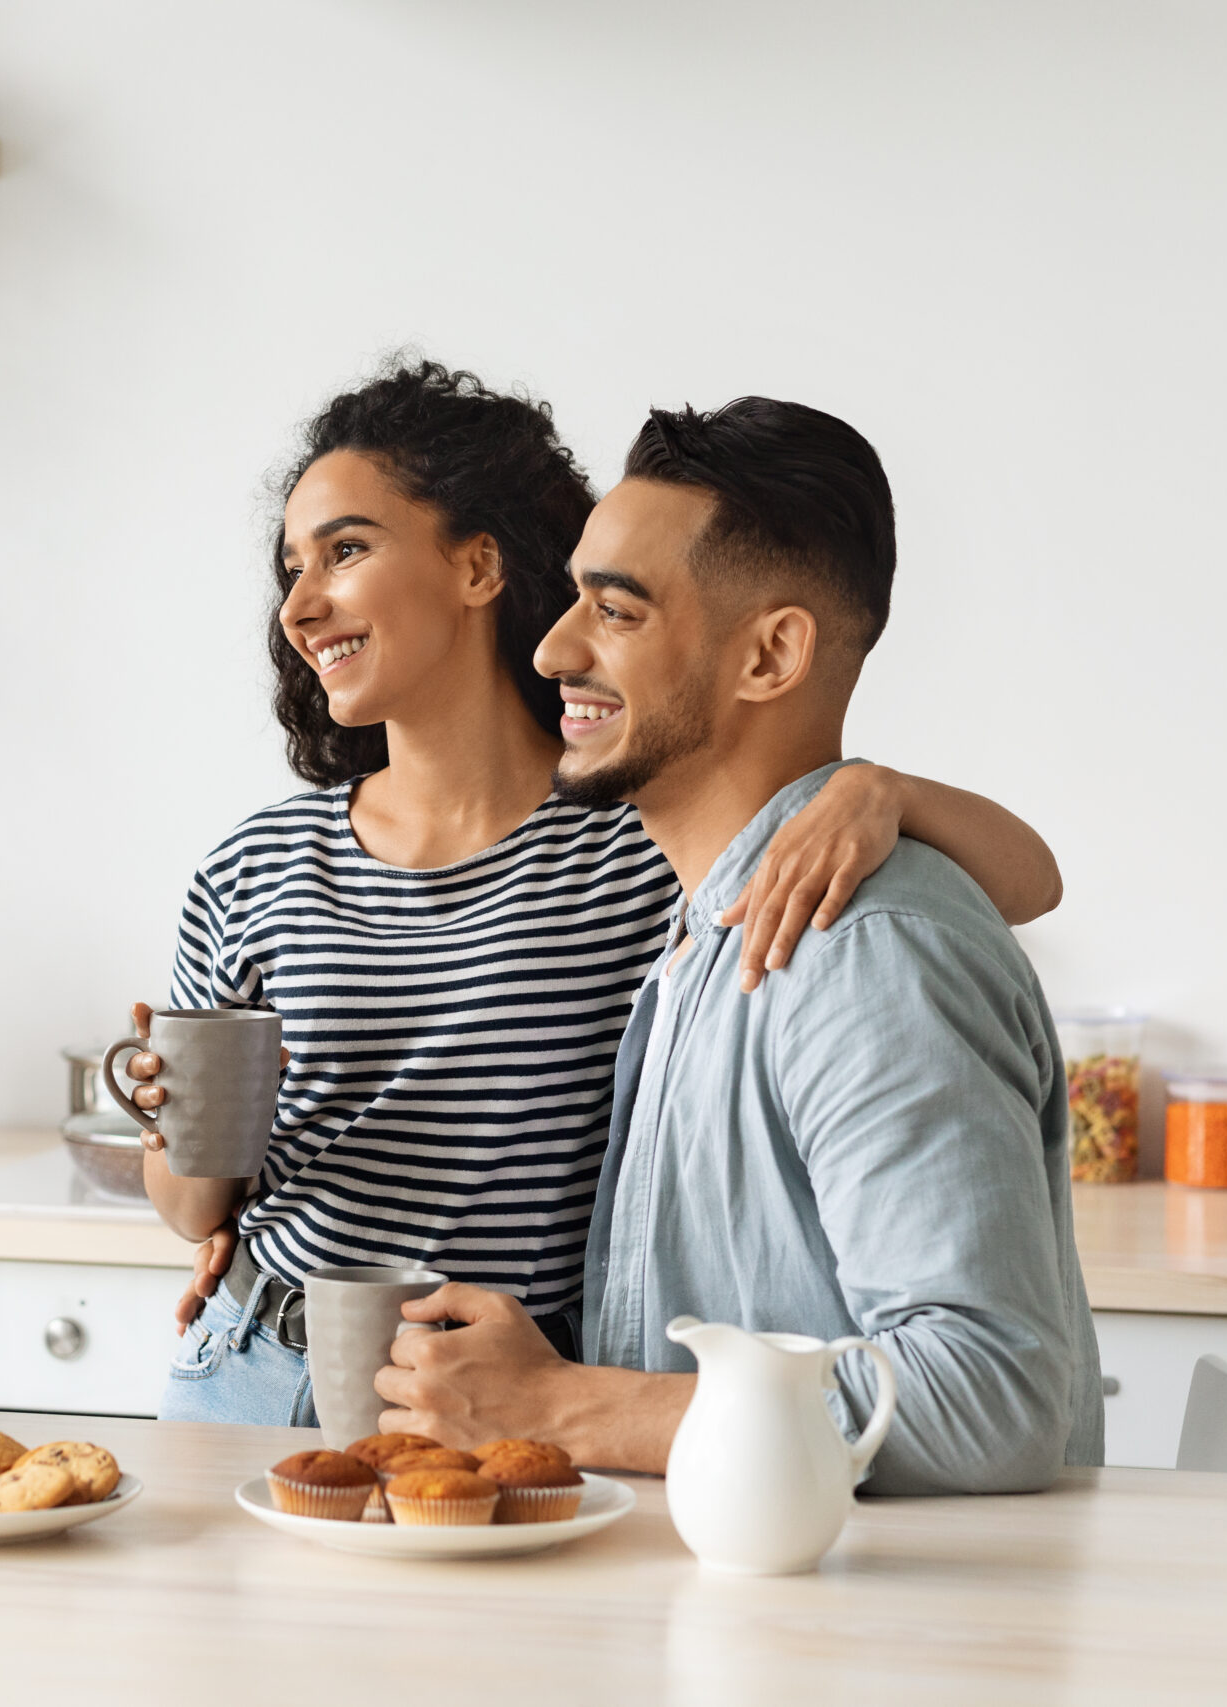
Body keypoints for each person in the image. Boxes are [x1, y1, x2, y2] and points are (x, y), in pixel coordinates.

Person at [130, 363, 1065, 1429]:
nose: (299, 604)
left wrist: (875, 788)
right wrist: (185, 1141)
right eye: (290, 566)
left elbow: (1023, 885)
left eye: (344, 551)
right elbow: (201, 1204)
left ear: (479, 564)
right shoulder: (258, 866)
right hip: (259, 1354)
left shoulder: (648, 845)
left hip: (511, 1387)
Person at [374, 397, 1102, 1494]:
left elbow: (986, 1400)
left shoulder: (861, 953)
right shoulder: (715, 925)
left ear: (769, 655)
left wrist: (560, 1404)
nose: (553, 646)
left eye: (614, 613)